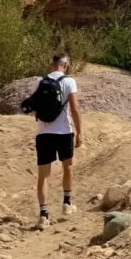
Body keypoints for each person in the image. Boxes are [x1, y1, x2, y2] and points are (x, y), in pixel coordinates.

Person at [34, 54, 82, 229]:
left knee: (43, 175)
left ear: (51, 64)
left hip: (43, 132)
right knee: (67, 166)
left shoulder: (39, 82)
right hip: (63, 131)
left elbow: (35, 108)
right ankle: (67, 204)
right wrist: (79, 132)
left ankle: (43, 215)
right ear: (65, 65)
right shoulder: (69, 82)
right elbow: (75, 108)